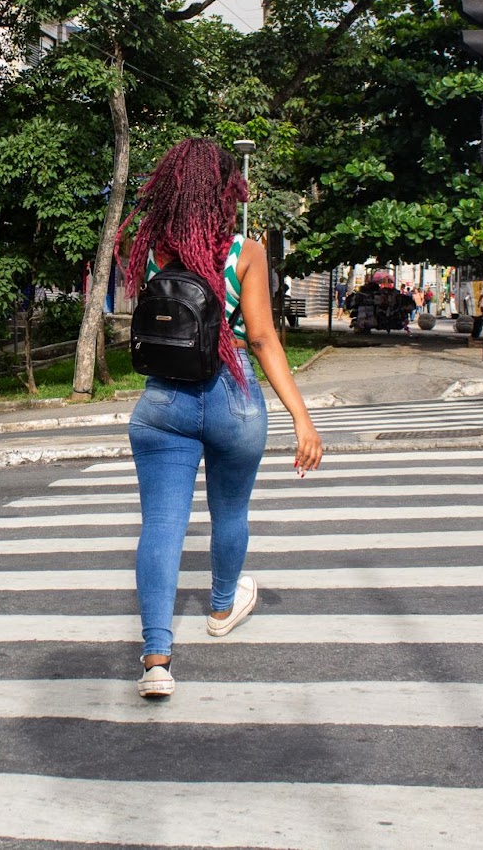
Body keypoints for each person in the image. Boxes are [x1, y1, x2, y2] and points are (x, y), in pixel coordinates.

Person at [118, 137, 323, 699]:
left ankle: (156, 659)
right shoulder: (247, 251)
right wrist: (302, 419)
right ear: (227, 191)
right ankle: (222, 607)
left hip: (162, 401)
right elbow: (260, 337)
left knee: (161, 526)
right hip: (233, 397)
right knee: (229, 511)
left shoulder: (153, 249)